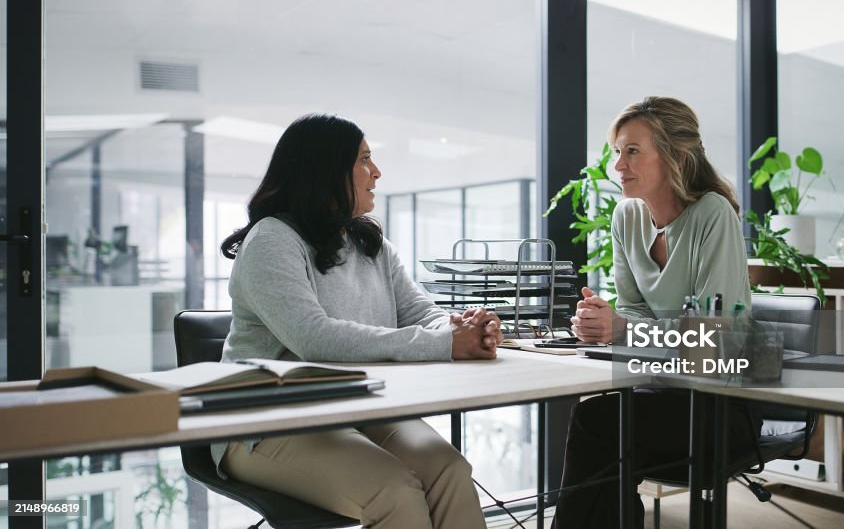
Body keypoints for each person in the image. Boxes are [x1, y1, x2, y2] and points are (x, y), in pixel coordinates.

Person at [214, 113, 502, 529]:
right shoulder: (271, 241)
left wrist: (466, 331)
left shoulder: (370, 244)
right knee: (394, 491)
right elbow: (314, 337)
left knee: (449, 471)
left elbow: (423, 314)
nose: (377, 172)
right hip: (265, 421)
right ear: (326, 169)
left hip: (357, 408)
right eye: (365, 159)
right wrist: (445, 342)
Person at [552, 96, 759, 528]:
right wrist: (605, 326)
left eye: (632, 151)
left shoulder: (712, 215)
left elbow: (712, 336)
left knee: (598, 423)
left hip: (722, 404)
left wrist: (625, 328)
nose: (618, 165)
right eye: (616, 152)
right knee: (602, 424)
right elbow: (631, 311)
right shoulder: (627, 217)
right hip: (660, 392)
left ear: (675, 156)